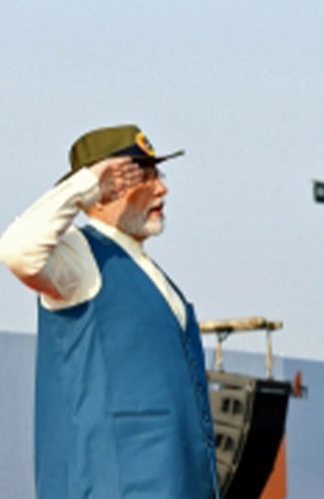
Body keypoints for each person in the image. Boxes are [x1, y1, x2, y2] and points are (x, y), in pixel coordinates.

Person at [0, 125, 219, 498]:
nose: (161, 188)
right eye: (141, 177)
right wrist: (86, 183)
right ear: (101, 194)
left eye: (157, 175)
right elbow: (17, 251)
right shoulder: (80, 256)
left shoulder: (150, 273)